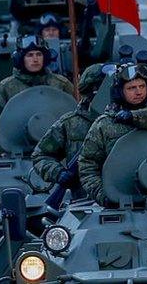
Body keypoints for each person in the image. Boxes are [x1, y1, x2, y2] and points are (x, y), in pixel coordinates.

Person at [78, 63, 147, 204]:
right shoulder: (105, 125)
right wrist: (105, 196)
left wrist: (134, 116)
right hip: (123, 200)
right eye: (131, 88)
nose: (138, 92)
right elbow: (87, 166)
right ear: (119, 91)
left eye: (142, 86)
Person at [0, 35, 75, 156]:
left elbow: (78, 114)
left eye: (39, 54)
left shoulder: (60, 84)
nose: (35, 59)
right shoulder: (6, 88)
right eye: (30, 55)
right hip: (20, 153)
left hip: (59, 154)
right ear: (20, 58)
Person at [32, 63, 115, 194]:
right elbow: (41, 155)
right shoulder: (70, 123)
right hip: (84, 201)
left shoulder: (130, 119)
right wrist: (58, 173)